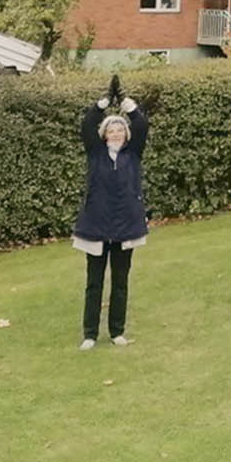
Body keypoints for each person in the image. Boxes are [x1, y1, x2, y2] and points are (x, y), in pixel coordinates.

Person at [74, 76, 148, 349]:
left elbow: (141, 125)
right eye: (111, 130)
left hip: (125, 226)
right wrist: (103, 103)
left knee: (120, 282)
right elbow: (86, 124)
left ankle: (117, 331)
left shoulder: (133, 154)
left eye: (120, 130)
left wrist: (127, 104)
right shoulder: (95, 153)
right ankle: (90, 334)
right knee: (94, 283)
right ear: (104, 135)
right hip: (96, 226)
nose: (116, 134)